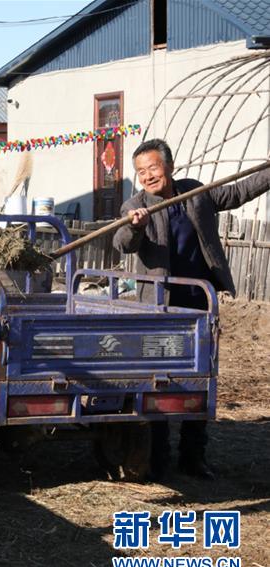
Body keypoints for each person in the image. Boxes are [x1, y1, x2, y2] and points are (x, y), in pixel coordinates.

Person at [114, 138, 270, 480]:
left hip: (200, 303)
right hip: (161, 309)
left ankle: (193, 457)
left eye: (153, 168)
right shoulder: (135, 205)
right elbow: (123, 243)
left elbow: (238, 192)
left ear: (169, 167)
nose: (147, 176)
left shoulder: (195, 193)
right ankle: (158, 459)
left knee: (200, 379)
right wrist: (134, 225)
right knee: (159, 382)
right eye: (141, 171)